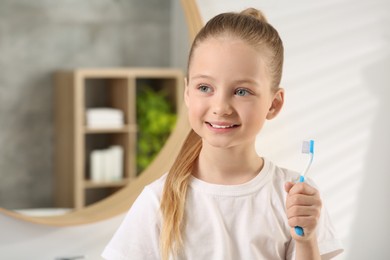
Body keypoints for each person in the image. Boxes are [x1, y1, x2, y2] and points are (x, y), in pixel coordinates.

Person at [102, 8, 343, 260]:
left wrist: (306, 240)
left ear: (274, 103)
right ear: (187, 93)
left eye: (241, 91)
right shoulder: (158, 201)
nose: (220, 108)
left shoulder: (294, 197)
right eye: (205, 87)